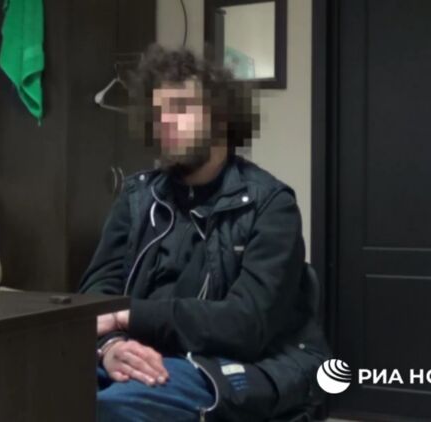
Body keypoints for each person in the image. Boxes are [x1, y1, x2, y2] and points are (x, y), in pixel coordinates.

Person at [78, 45, 329, 421]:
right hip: (135, 351)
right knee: (28, 380)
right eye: (159, 113)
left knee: (112, 407)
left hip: (228, 362)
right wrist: (111, 344)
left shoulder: (271, 205)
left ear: (221, 116)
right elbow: (96, 296)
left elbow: (246, 324)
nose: (166, 122)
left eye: (181, 107)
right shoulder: (136, 198)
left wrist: (128, 316)